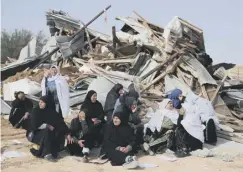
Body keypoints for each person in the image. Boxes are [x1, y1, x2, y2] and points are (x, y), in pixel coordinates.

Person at [28, 96, 69, 162]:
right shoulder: (36, 111)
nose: (40, 104)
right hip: (36, 133)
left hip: (50, 132)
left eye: (42, 102)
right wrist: (46, 125)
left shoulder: (52, 112)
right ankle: (47, 154)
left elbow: (60, 123)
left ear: (47, 103)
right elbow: (34, 126)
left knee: (59, 130)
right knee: (48, 131)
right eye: (39, 102)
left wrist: (67, 133)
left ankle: (56, 151)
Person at [174, 92, 204, 157]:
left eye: (181, 96)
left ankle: (184, 148)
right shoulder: (196, 106)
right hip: (199, 143)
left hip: (190, 141)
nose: (180, 98)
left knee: (179, 129)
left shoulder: (184, 106)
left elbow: (179, 122)